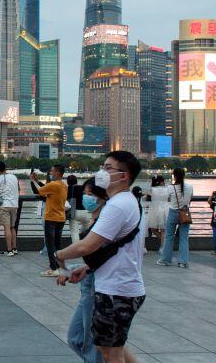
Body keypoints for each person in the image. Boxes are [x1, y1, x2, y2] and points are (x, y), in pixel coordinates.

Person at [53, 151, 145, 363]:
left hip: (116, 290)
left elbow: (87, 246)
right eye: (103, 166)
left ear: (124, 176)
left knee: (109, 353)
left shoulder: (118, 205)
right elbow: (117, 248)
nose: (102, 172)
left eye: (108, 168)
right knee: (114, 348)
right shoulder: (125, 201)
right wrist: (88, 269)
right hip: (119, 286)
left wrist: (59, 255)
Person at [62, 177, 106, 363]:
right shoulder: (96, 221)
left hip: (98, 289)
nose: (87, 198)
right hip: (88, 287)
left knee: (94, 344)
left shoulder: (106, 223)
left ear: (104, 197)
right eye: (85, 194)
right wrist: (82, 268)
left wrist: (60, 256)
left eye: (91, 194)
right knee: (76, 338)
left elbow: (89, 251)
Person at [31, 164, 69, 277]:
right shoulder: (63, 185)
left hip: (51, 218)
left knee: (50, 244)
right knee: (57, 244)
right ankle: (59, 267)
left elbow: (38, 192)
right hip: (61, 218)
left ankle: (53, 268)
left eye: (52, 171)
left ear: (57, 173)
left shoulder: (53, 185)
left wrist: (32, 181)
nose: (50, 173)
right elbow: (46, 189)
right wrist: (37, 181)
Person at [157, 167, 194, 267]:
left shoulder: (170, 188)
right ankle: (183, 262)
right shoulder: (190, 186)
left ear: (174, 176)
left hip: (173, 212)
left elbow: (168, 198)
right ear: (184, 175)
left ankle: (165, 260)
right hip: (185, 213)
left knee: (169, 237)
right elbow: (190, 199)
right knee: (184, 238)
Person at [0, 161, 19, 256]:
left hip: (5, 205)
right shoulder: (14, 177)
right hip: (14, 205)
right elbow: (17, 189)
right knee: (13, 227)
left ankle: (9, 250)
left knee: (7, 228)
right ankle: (14, 248)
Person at [144, 175, 170, 250]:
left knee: (152, 229)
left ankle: (164, 244)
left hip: (155, 209)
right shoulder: (167, 189)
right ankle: (163, 246)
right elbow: (168, 199)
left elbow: (146, 198)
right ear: (162, 181)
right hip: (165, 209)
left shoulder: (152, 189)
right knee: (163, 230)